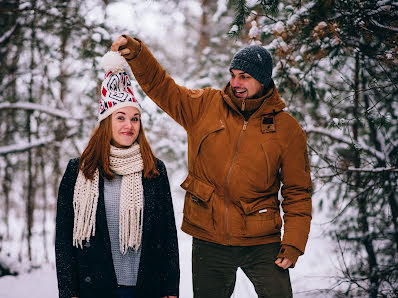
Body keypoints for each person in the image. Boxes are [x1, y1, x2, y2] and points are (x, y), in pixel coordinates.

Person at [111, 35, 312, 297]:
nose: (236, 83)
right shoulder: (205, 106)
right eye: (233, 75)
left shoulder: (287, 129)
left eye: (245, 77)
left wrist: (294, 242)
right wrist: (137, 54)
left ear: (263, 80)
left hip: (262, 241)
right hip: (209, 237)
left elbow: (298, 191)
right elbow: (162, 87)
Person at [55, 51, 180, 298]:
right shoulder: (79, 170)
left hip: (146, 288)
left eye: (135, 119)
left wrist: (170, 288)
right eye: (120, 117)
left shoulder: (154, 169)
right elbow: (64, 240)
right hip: (96, 288)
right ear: (106, 122)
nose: (129, 125)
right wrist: (68, 291)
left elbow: (167, 235)